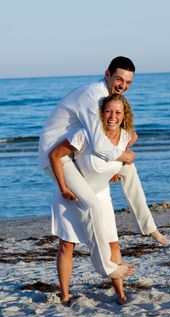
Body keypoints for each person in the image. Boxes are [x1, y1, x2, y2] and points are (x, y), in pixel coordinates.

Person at [38, 56, 169, 292]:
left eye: (128, 82)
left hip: (76, 155)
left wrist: (119, 160)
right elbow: (99, 146)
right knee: (94, 206)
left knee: (129, 171)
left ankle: (149, 226)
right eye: (119, 79)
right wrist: (124, 155)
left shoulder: (108, 99)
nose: (123, 85)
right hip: (57, 154)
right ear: (107, 74)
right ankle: (106, 268)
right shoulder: (94, 97)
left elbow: (107, 135)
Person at [50, 94, 138, 305]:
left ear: (124, 115)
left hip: (100, 195)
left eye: (117, 112)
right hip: (71, 194)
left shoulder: (127, 136)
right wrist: (63, 188)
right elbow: (55, 156)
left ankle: (120, 294)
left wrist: (114, 172)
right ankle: (64, 296)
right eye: (108, 111)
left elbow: (118, 159)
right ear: (100, 113)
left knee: (112, 244)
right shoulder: (84, 133)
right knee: (67, 245)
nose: (112, 116)